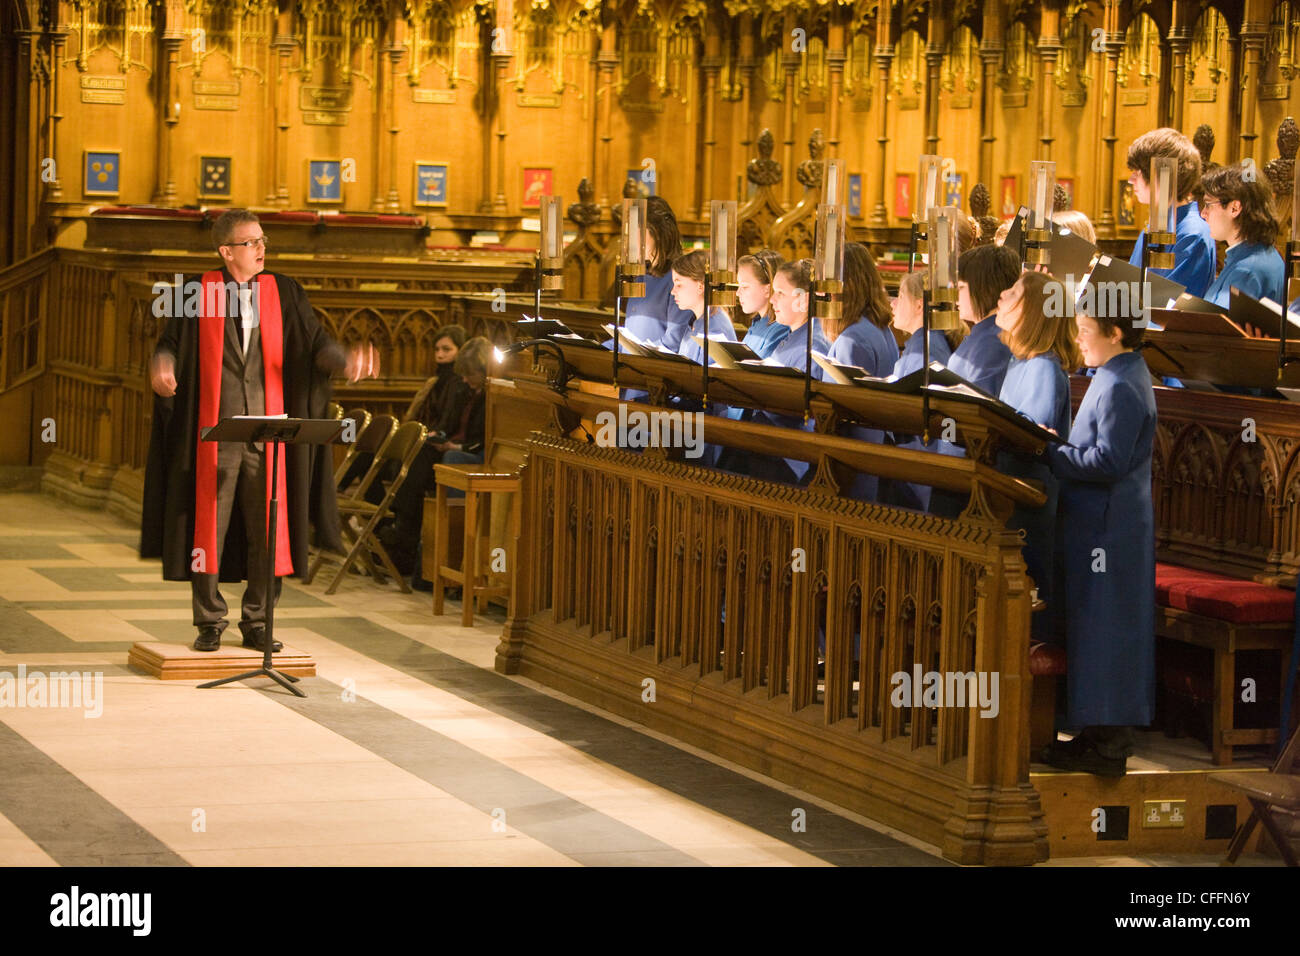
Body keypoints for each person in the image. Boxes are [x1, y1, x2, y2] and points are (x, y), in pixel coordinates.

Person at [141, 209, 377, 652]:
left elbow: (315, 343)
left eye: (263, 240)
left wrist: (343, 361)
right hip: (216, 431)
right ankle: (209, 620)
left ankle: (259, 621)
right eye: (251, 242)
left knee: (268, 527)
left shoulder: (284, 291)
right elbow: (168, 344)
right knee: (206, 527)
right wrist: (164, 365)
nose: (262, 248)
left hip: (270, 433)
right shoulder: (196, 291)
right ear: (226, 251)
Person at [1041, 304, 1157, 777]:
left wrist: (1048, 452)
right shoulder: (1117, 372)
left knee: (1108, 633)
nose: (1079, 338)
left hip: (1110, 531)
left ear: (1114, 331)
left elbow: (1108, 462)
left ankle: (1110, 746)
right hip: (1100, 527)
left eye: (1086, 330)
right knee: (1094, 631)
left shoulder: (1124, 382)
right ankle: (1092, 735)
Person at [992, 271, 1079, 640]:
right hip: (1009, 488)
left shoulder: (1043, 366)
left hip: (1028, 497)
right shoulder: (1020, 362)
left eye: (1013, 292)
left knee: (1028, 596)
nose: (1001, 293)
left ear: (1035, 312)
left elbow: (1032, 436)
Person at [383, 337, 492, 576]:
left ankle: (400, 529)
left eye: (470, 374)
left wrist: (455, 448)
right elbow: (449, 424)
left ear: (484, 371)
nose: (464, 379)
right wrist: (439, 436)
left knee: (421, 464)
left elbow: (485, 440)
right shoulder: (465, 391)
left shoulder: (493, 397)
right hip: (451, 449)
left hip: (470, 455)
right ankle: (401, 532)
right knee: (418, 450)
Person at [339, 324, 465, 503]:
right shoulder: (434, 382)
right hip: (421, 437)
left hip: (433, 446)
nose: (440, 354)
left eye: (447, 349)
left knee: (380, 456)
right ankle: (376, 517)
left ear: (460, 351)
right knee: (366, 454)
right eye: (437, 349)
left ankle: (340, 489)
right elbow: (416, 416)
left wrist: (430, 434)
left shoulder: (459, 384)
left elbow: (447, 422)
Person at [882, 271, 966, 512]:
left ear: (919, 304)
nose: (893, 303)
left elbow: (918, 415)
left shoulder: (926, 351)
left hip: (919, 472)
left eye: (900, 295)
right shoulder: (922, 344)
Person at [825, 243, 900, 501]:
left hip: (857, 462)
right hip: (877, 448)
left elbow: (846, 407)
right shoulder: (879, 325)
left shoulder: (852, 339)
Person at [1125, 127, 1216, 298]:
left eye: (1138, 172)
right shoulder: (1156, 225)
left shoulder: (1193, 234)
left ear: (1162, 176)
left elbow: (1167, 309)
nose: (1131, 180)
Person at [1199, 163, 1286, 308]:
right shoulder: (1263, 253)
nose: (1203, 213)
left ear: (1234, 208)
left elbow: (1218, 327)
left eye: (1208, 204)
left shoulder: (1246, 270)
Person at [620, 196, 695, 350]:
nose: (631, 241)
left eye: (637, 231)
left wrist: (634, 353)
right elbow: (628, 337)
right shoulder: (639, 275)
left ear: (659, 233)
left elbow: (673, 343)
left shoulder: (679, 279)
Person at [947, 243, 1019, 397]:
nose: (954, 296)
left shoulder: (993, 340)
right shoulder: (984, 334)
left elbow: (980, 404)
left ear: (984, 287)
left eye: (960, 288)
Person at [669, 250, 738, 363]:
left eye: (679, 285)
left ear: (700, 286)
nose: (672, 291)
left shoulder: (714, 328)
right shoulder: (696, 321)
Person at [736, 250, 791, 358]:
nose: (738, 293)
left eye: (745, 287)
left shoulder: (781, 328)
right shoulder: (757, 323)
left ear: (767, 289)